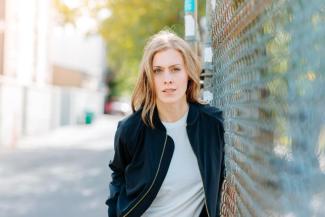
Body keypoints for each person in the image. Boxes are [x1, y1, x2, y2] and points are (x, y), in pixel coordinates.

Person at [105, 30, 225, 217]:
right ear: (149, 78)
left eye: (175, 69)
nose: (167, 79)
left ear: (188, 73)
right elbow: (118, 176)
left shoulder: (212, 125)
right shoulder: (131, 130)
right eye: (158, 71)